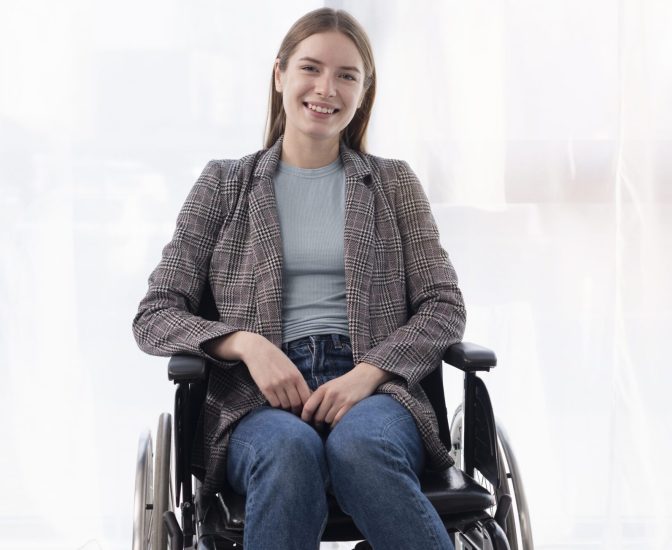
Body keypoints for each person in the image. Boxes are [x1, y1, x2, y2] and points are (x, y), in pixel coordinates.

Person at [132, 8, 464, 550]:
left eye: (346, 75)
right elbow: (154, 314)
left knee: (361, 447)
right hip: (257, 400)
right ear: (280, 74)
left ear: (363, 90)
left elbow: (443, 305)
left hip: (375, 393)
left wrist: (368, 374)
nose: (326, 88)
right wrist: (247, 345)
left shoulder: (393, 184)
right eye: (311, 68)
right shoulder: (224, 184)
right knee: (289, 452)